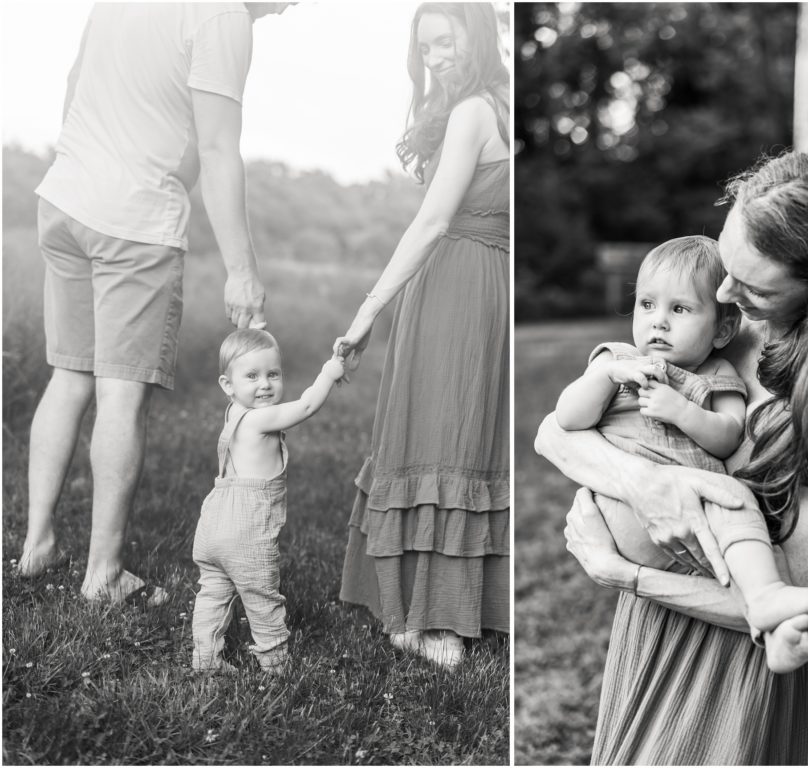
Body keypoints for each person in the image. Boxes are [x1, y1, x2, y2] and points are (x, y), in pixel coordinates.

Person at [536, 151, 808, 764]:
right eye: (727, 268)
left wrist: (633, 576)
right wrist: (644, 484)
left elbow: (801, 585)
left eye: (751, 287)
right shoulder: (712, 328)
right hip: (653, 634)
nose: (723, 293)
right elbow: (552, 432)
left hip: (739, 661)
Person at [18, 3, 292, 603]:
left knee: (69, 376)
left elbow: (75, 85)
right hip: (133, 220)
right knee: (121, 393)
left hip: (64, 198)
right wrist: (241, 270)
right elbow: (219, 150)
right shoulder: (222, 18)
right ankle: (104, 574)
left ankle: (37, 544)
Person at [554, 235, 808, 672]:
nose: (659, 323)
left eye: (680, 309)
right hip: (623, 512)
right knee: (733, 498)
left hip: (696, 531)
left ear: (724, 329)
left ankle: (773, 620)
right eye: (647, 305)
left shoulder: (718, 376)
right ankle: (766, 599)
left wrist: (685, 412)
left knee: (747, 523)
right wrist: (608, 376)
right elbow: (566, 418)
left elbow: (728, 435)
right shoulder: (617, 360)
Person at [335, 2, 510, 667]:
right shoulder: (482, 105)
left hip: (463, 284)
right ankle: (419, 597)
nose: (435, 57)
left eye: (446, 40)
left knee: (453, 436)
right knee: (444, 432)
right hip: (458, 282)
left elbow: (433, 221)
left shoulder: (477, 111)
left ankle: (443, 614)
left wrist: (366, 311)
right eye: (425, 48)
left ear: (478, 30)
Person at [192, 329, 347, 674]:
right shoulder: (260, 420)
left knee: (213, 593)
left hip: (214, 523)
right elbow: (307, 405)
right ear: (227, 385)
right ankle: (276, 665)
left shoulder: (234, 412)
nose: (265, 384)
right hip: (246, 530)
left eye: (272, 374)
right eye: (252, 376)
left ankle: (205, 659)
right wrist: (329, 373)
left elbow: (253, 379)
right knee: (262, 597)